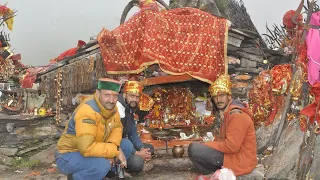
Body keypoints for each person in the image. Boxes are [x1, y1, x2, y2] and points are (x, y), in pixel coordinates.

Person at [55, 78, 134, 180]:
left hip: (95, 145)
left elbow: (117, 127)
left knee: (126, 145)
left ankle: (109, 173)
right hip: (69, 154)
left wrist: (111, 146)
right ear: (97, 93)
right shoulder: (87, 111)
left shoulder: (113, 109)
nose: (111, 100)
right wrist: (115, 151)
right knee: (102, 164)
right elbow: (86, 148)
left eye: (115, 96)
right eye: (107, 95)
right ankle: (76, 177)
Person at [188, 75, 257, 176]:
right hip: (234, 156)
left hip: (241, 162)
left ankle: (213, 172)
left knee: (193, 148)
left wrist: (208, 144)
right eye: (215, 96)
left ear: (229, 96)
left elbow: (231, 147)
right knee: (197, 147)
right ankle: (214, 171)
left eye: (221, 95)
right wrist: (209, 142)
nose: (218, 100)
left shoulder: (237, 115)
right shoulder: (228, 113)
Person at [116, 80, 154, 172]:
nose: (135, 100)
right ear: (125, 94)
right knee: (137, 163)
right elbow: (115, 141)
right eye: (132, 96)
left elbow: (133, 133)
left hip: (126, 143)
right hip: (117, 147)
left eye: (137, 97)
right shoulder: (118, 108)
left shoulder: (130, 107)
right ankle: (121, 168)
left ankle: (139, 157)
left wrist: (142, 148)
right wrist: (137, 153)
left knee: (149, 148)